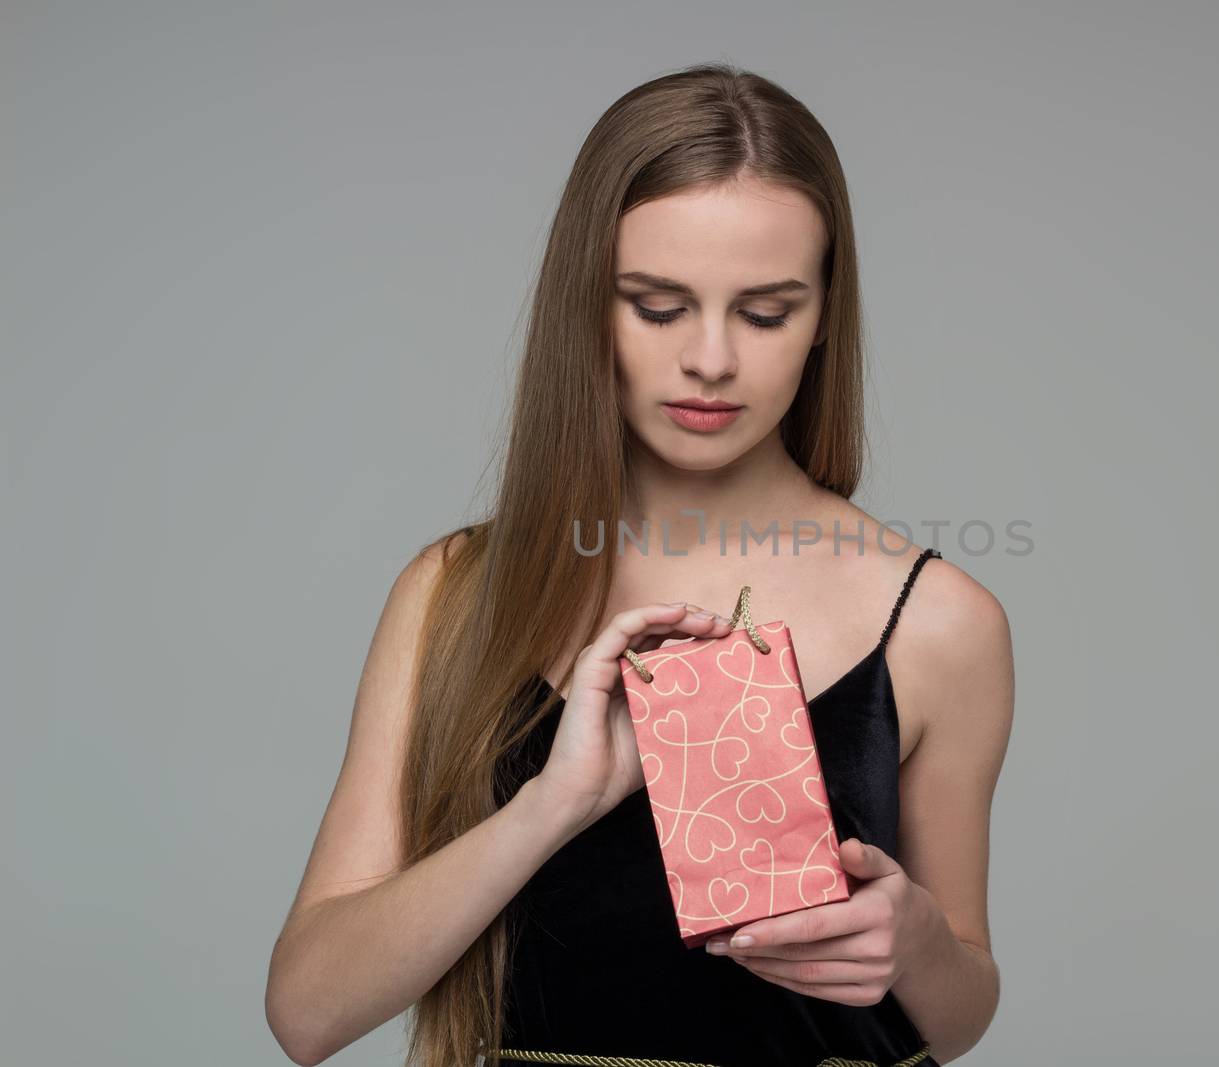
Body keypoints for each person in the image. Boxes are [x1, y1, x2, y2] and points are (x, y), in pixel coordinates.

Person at [265, 61, 1014, 1067]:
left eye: (764, 310)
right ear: (588, 307)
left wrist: (915, 940)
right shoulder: (455, 594)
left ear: (826, 313)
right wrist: (552, 806)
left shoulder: (936, 620)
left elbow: (958, 1009)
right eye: (657, 306)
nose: (710, 358)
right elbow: (307, 1014)